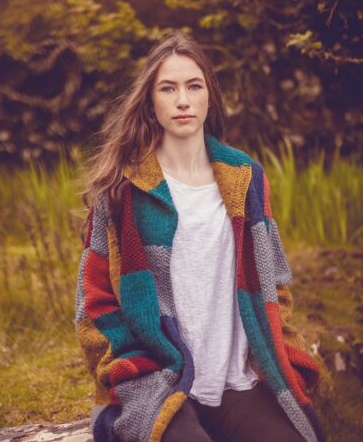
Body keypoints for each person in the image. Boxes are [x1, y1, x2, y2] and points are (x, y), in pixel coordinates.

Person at [75, 31, 324, 442]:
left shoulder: (245, 178)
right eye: (168, 89)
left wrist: (285, 354)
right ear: (151, 102)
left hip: (237, 379)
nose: (183, 100)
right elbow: (94, 304)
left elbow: (273, 284)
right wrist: (123, 369)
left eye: (194, 86)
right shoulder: (123, 191)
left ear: (210, 96)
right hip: (158, 379)